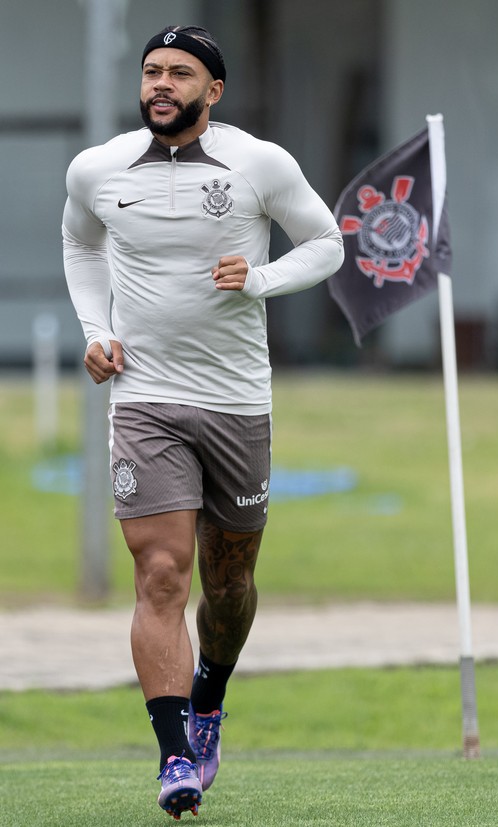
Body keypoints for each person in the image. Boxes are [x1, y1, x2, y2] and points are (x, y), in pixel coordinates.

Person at [62, 24, 343, 820]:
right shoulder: (98, 169)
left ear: (212, 91)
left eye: (180, 74)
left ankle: (210, 693)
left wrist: (259, 278)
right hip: (144, 399)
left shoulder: (260, 163)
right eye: (152, 71)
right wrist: (95, 332)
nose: (161, 84)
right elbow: (79, 245)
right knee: (160, 574)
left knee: (229, 584)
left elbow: (326, 243)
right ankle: (175, 753)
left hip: (236, 403)